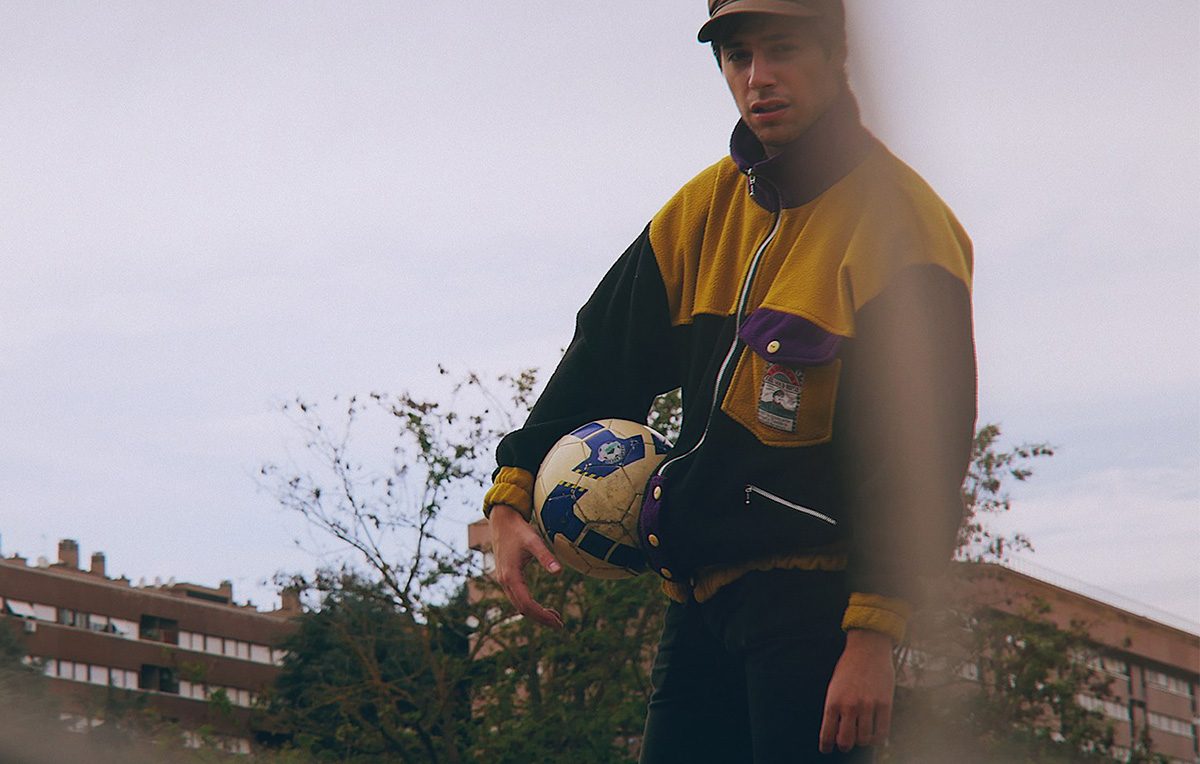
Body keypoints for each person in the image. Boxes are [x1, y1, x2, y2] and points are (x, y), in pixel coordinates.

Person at [483, 1, 977, 761]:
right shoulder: (701, 209)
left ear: (837, 55)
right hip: (696, 605)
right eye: (737, 56)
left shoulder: (905, 226)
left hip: (817, 617)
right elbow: (603, 355)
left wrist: (874, 636)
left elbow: (924, 455)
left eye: (782, 49)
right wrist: (512, 492)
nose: (758, 77)